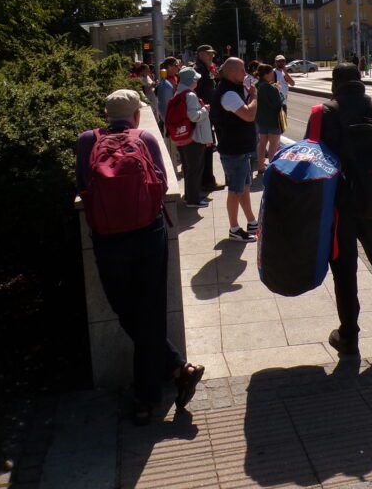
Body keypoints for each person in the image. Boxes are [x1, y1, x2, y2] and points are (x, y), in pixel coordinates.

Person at [76, 89, 204, 425]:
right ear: (135, 115)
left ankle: (156, 386)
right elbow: (161, 183)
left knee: (125, 310)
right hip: (148, 234)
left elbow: (83, 185)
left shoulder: (87, 140)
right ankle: (172, 372)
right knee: (151, 311)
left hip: (107, 239)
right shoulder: (145, 137)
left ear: (106, 115)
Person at [304, 64, 372, 356]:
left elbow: (310, 163)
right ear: (360, 81)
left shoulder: (323, 113)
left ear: (334, 85)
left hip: (340, 207)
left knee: (344, 270)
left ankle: (349, 337)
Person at [213, 57, 259, 242]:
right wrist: (254, 97)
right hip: (234, 150)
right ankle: (234, 228)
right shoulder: (228, 93)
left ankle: (251, 221)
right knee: (235, 190)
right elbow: (248, 115)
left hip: (238, 149)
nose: (245, 74)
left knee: (244, 187)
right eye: (242, 70)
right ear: (232, 72)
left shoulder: (231, 90)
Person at [173, 67, 212, 209]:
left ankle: (191, 196)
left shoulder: (179, 92)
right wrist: (205, 110)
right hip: (194, 137)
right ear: (191, 80)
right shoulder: (189, 94)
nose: (197, 81)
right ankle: (193, 200)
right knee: (195, 169)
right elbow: (193, 116)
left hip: (184, 136)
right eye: (195, 79)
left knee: (189, 168)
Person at [194, 45, 223, 192]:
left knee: (208, 147)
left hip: (207, 113)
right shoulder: (199, 71)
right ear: (200, 55)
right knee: (206, 147)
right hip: (203, 114)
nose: (211, 56)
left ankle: (207, 180)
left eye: (212, 54)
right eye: (208, 54)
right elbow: (199, 92)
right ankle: (207, 181)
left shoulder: (207, 69)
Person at [255, 63, 283, 174]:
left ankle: (261, 166)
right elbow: (278, 104)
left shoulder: (257, 85)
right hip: (273, 119)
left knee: (262, 143)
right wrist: (277, 90)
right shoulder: (271, 87)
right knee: (273, 144)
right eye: (271, 72)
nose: (273, 74)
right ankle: (272, 168)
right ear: (266, 74)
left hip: (261, 118)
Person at [154, 56, 180, 125]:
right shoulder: (166, 81)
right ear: (169, 67)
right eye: (176, 65)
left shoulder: (176, 77)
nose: (178, 67)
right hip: (170, 113)